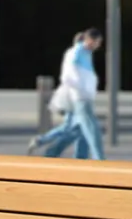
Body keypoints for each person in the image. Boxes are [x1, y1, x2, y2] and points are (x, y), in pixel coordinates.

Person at [28, 28, 105, 160]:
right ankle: (97, 158)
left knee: (77, 129)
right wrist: (82, 89)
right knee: (87, 128)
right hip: (76, 96)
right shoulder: (76, 52)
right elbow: (69, 75)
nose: (98, 45)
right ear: (88, 40)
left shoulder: (86, 53)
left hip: (81, 96)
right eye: (96, 41)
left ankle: (51, 150)